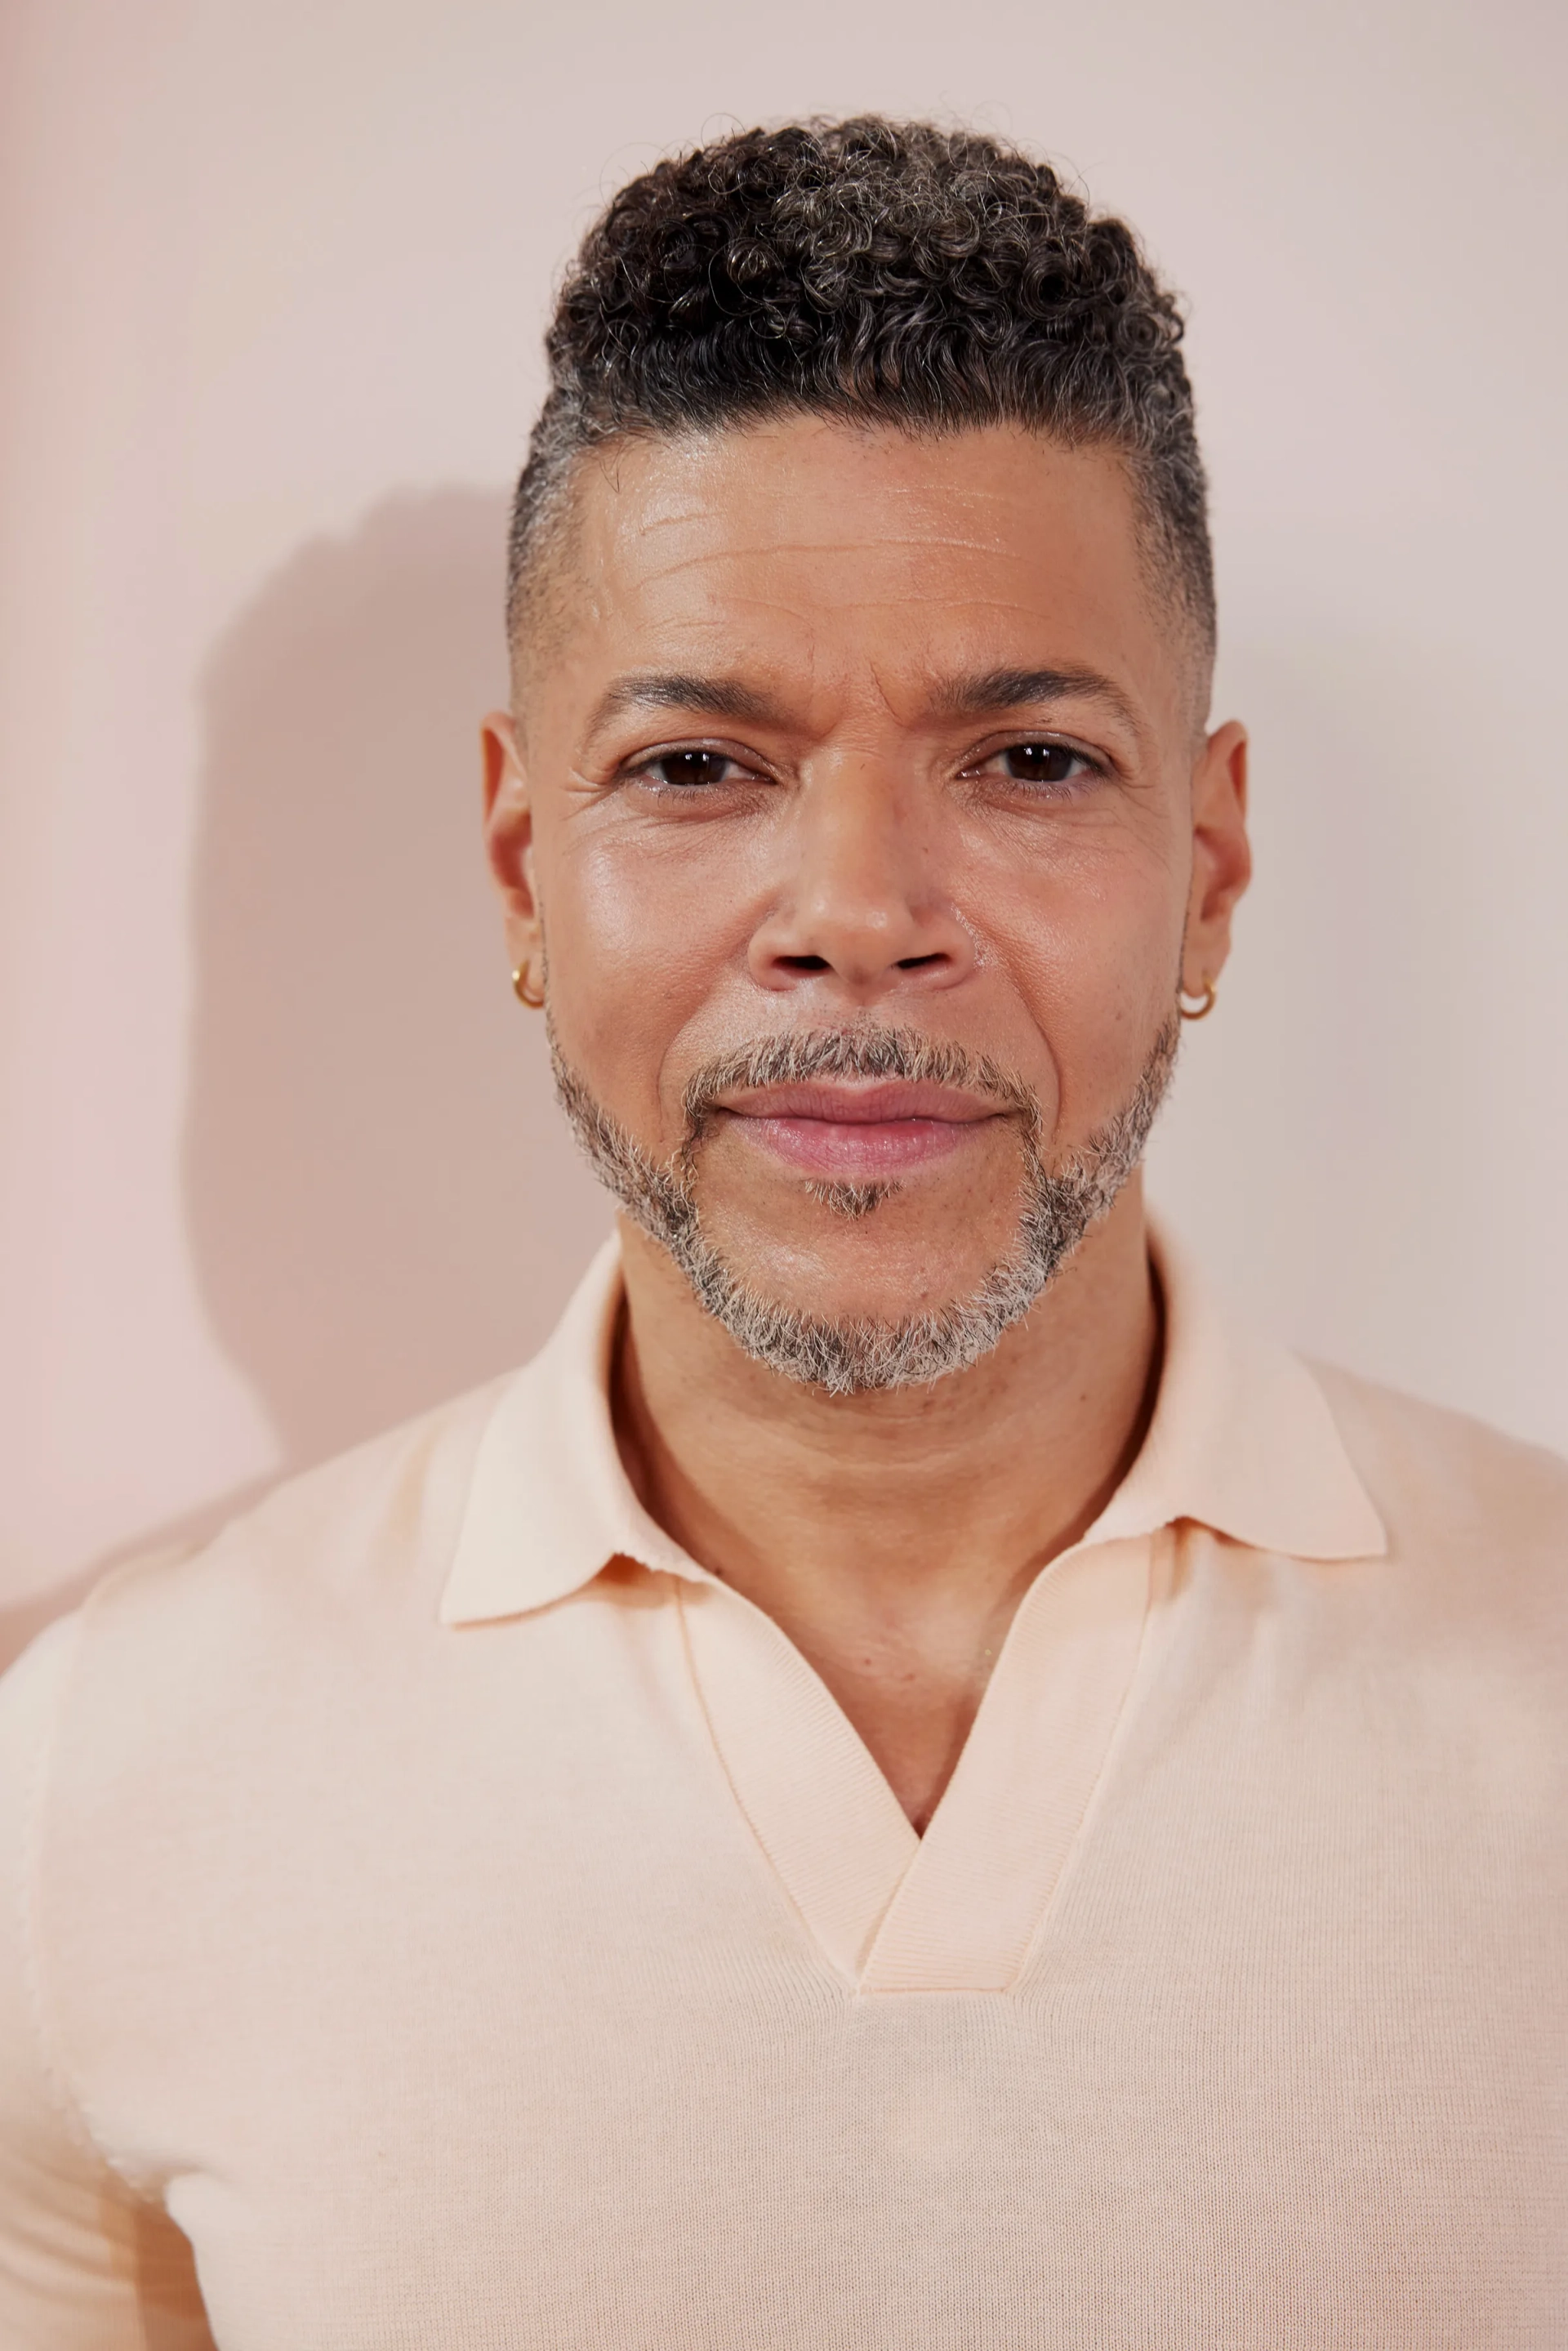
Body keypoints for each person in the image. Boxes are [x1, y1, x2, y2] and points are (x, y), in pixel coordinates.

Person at [1, 117, 1562, 2350]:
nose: (855, 917)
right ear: (522, 862)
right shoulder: (96, 1787)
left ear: (1210, 864)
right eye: (698, 767)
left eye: (1026, 761)